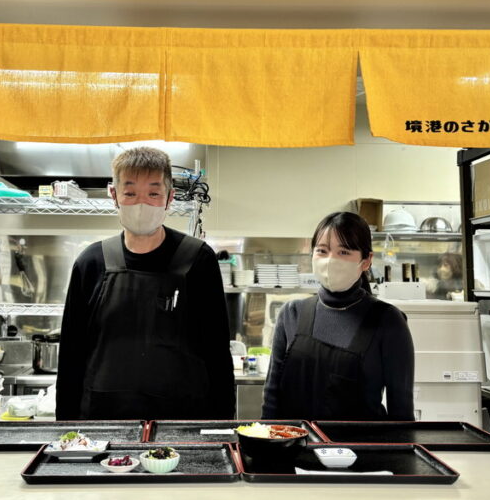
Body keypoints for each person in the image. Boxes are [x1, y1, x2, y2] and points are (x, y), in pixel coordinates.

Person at [56, 146, 236, 420]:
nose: (142, 204)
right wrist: (64, 434)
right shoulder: (91, 263)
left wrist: (222, 428)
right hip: (103, 425)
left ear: (170, 198)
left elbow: (217, 354)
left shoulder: (198, 260)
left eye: (153, 193)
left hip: (182, 424)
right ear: (113, 195)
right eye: (130, 193)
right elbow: (71, 357)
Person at [261, 211, 415, 420]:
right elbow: (271, 398)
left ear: (366, 260)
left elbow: (402, 411)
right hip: (294, 448)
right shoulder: (292, 313)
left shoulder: (388, 321)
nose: (330, 261)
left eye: (343, 252)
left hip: (361, 451)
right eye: (322, 251)